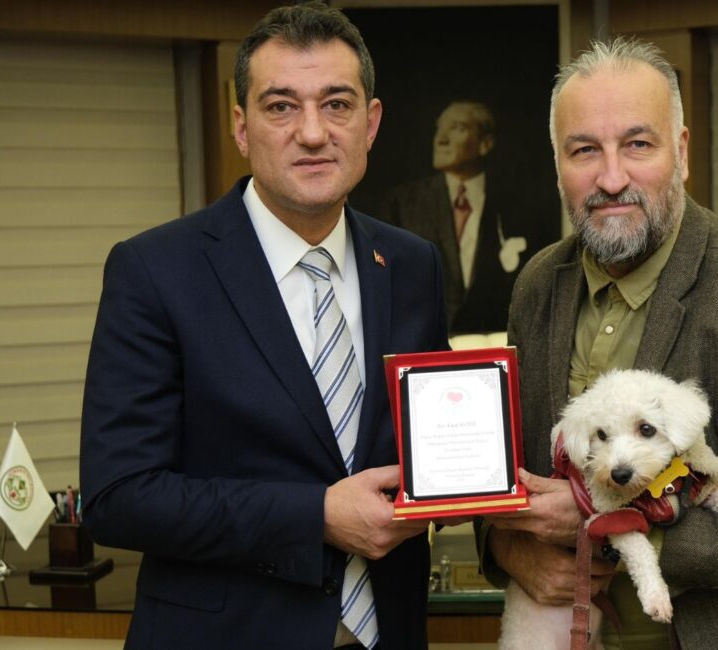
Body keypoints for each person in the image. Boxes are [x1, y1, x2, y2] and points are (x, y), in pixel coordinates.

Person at [79, 4, 448, 649]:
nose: (312, 132)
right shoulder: (155, 270)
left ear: (372, 123)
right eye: (281, 106)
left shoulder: (412, 263)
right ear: (241, 127)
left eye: (337, 104)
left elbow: (431, 442)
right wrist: (317, 517)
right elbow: (120, 495)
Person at [479, 37, 718, 648]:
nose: (611, 177)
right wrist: (506, 546)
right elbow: (515, 477)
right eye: (584, 150)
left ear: (680, 152)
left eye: (637, 144)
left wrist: (604, 521)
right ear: (557, 165)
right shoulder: (537, 287)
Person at [382, 101, 540, 334]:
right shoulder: (402, 204)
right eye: (439, 129)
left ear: (485, 144)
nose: (441, 139)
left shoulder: (518, 205)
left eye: (457, 128)